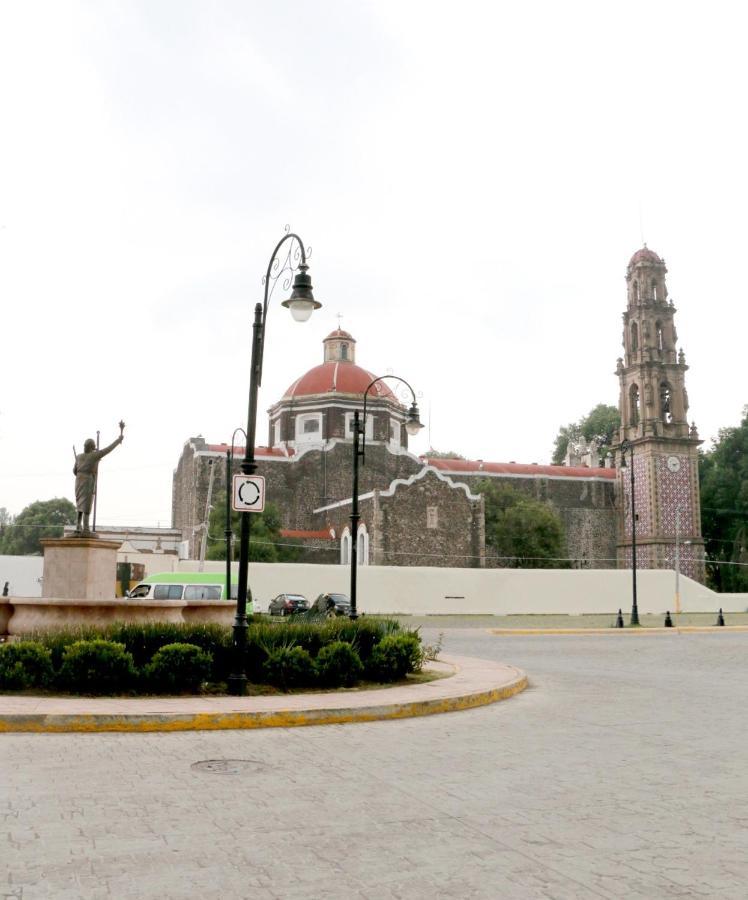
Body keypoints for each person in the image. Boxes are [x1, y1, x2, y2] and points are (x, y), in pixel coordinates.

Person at [74, 426, 124, 533]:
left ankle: (78, 526)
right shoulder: (94, 456)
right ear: (92, 447)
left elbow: (74, 471)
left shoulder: (78, 457)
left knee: (79, 505)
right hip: (87, 481)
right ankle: (86, 527)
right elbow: (108, 449)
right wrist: (118, 440)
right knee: (86, 505)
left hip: (78, 481)